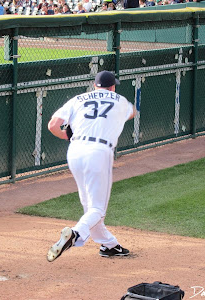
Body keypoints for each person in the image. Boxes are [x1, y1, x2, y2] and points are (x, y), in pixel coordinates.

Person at [46, 71, 136, 262]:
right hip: (98, 151)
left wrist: (66, 136)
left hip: (75, 149)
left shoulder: (78, 99)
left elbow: (53, 125)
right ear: (112, 86)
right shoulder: (119, 100)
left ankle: (109, 245)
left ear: (95, 85)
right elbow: (132, 113)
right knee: (97, 209)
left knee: (89, 205)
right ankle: (76, 234)